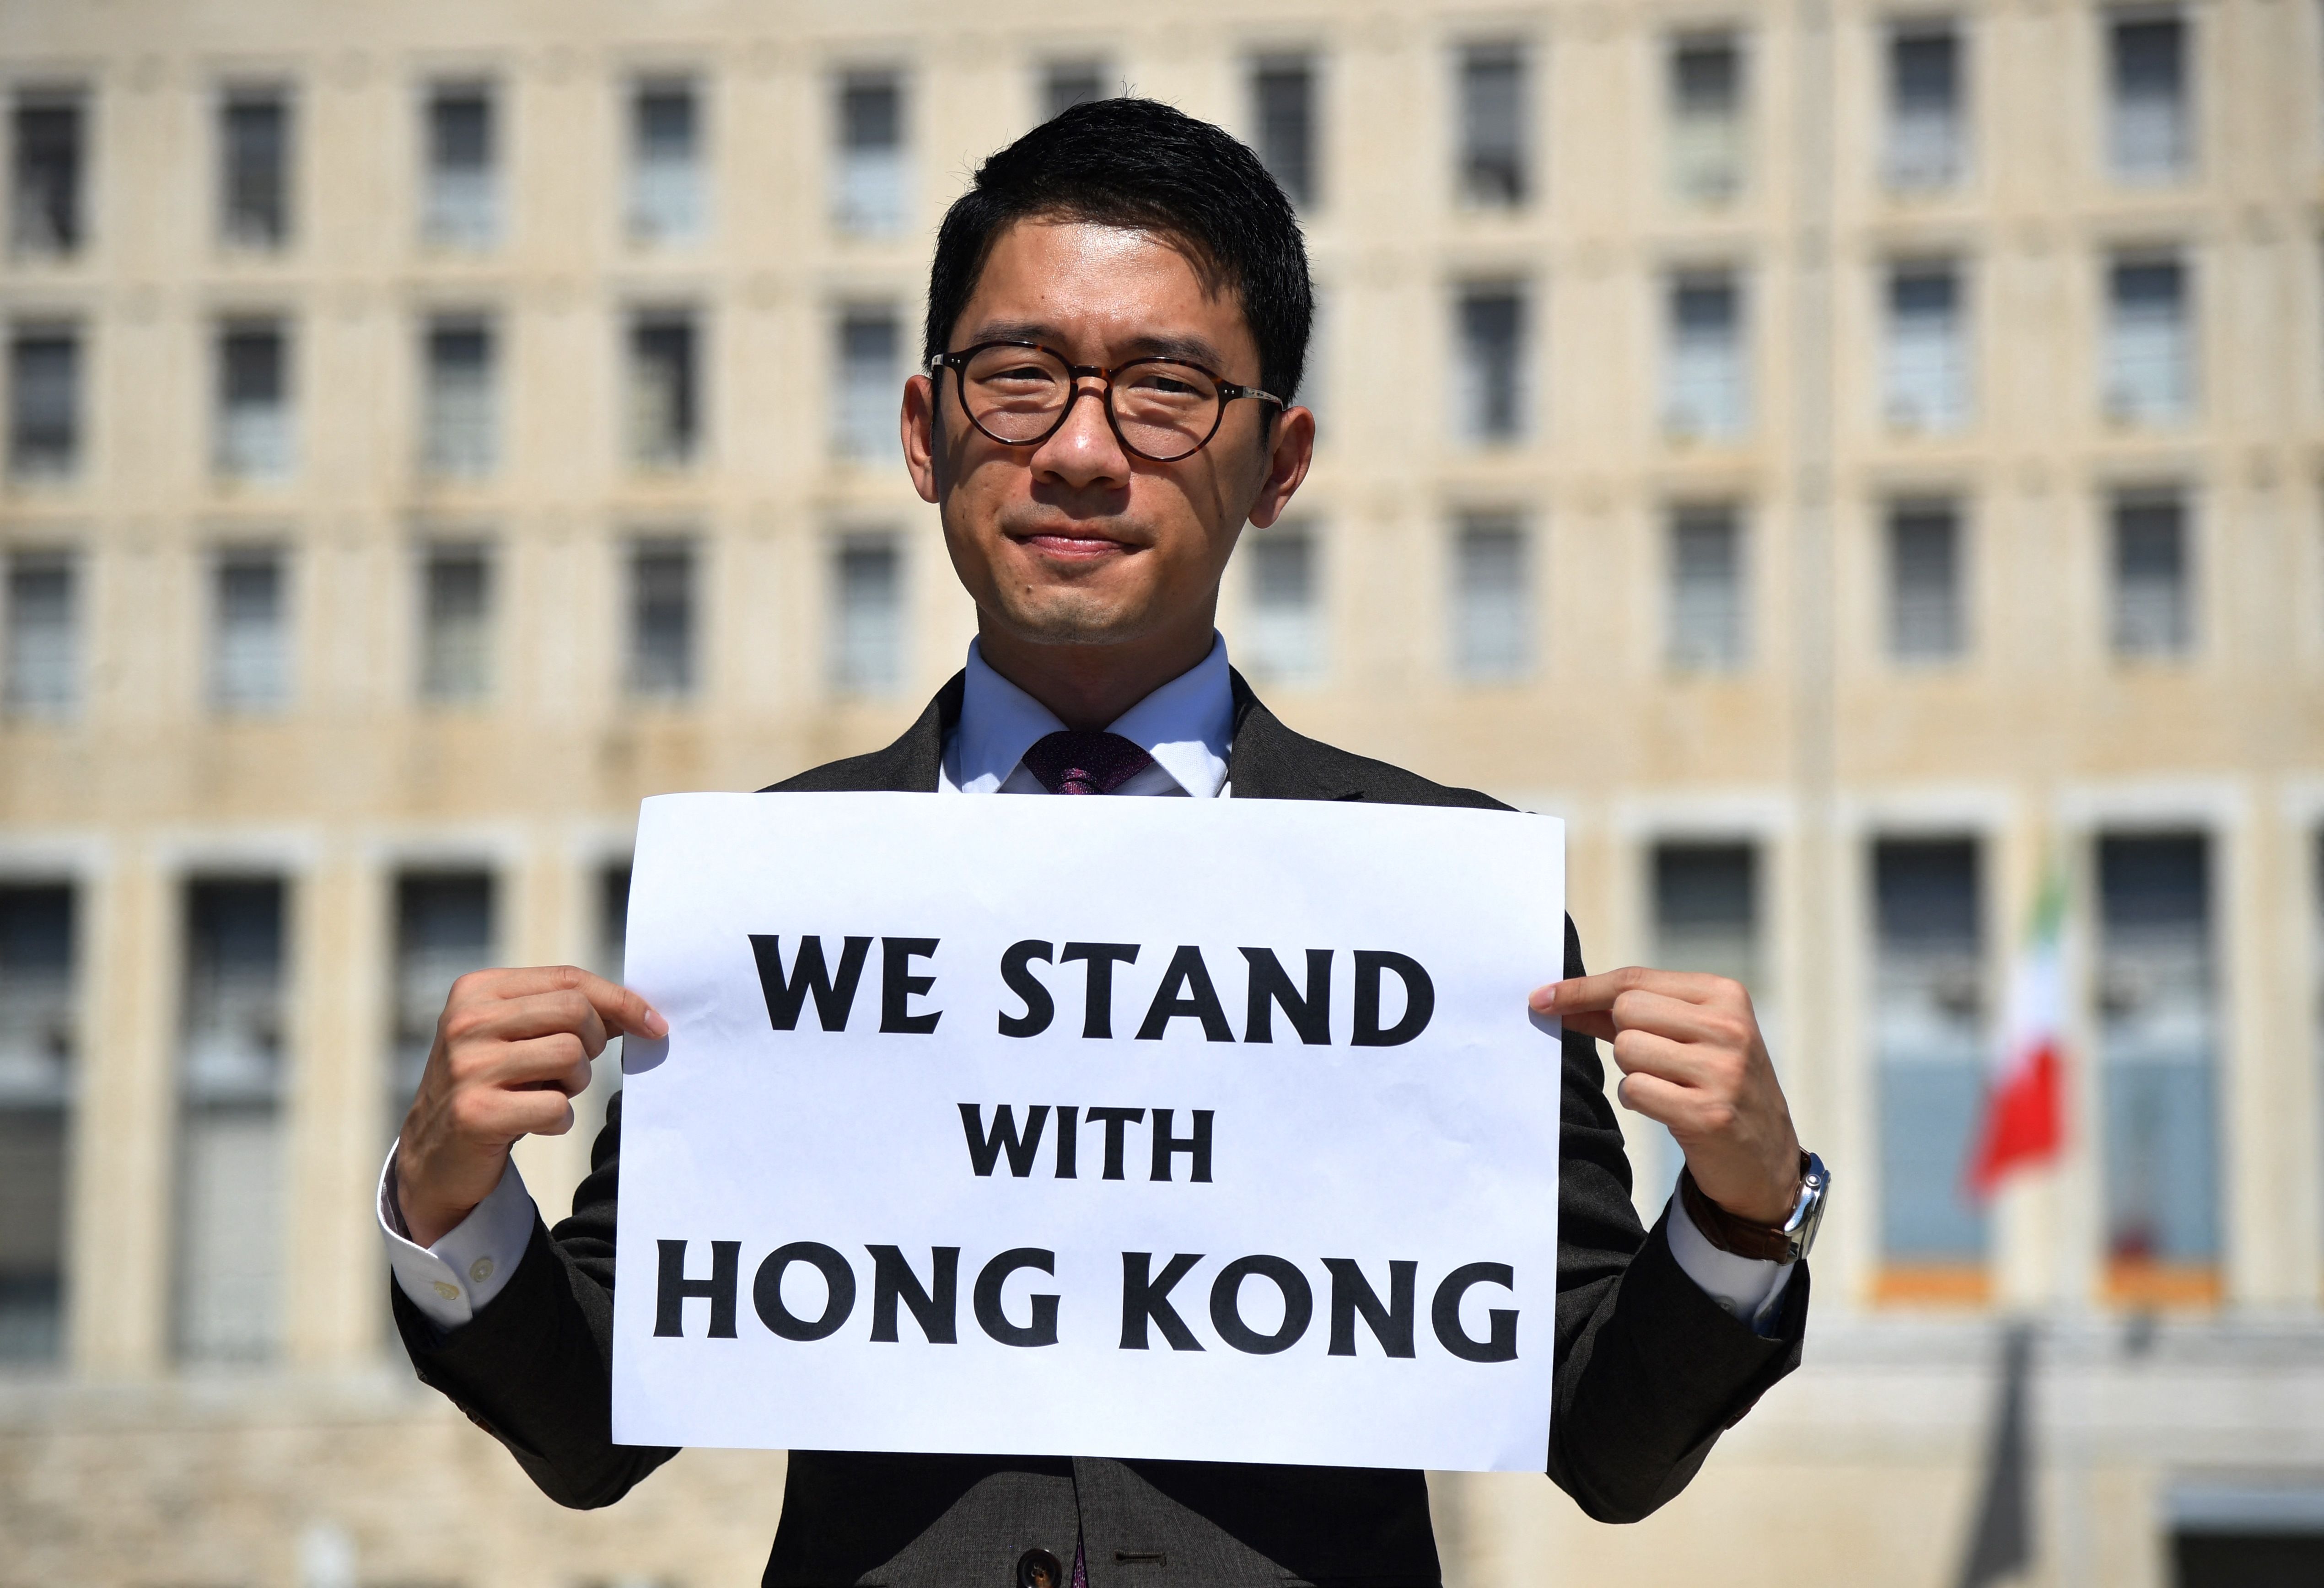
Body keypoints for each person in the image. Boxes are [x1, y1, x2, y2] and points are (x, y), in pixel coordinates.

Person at [382, 98, 1822, 1588]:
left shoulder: (1436, 896)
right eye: (1019, 378)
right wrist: (452, 1198)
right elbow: (604, 1420)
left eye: (1165, 391)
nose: (1080, 450)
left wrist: (1741, 1206)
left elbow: (1600, 1438)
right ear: (925, 433)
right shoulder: (782, 884)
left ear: (1279, 463)